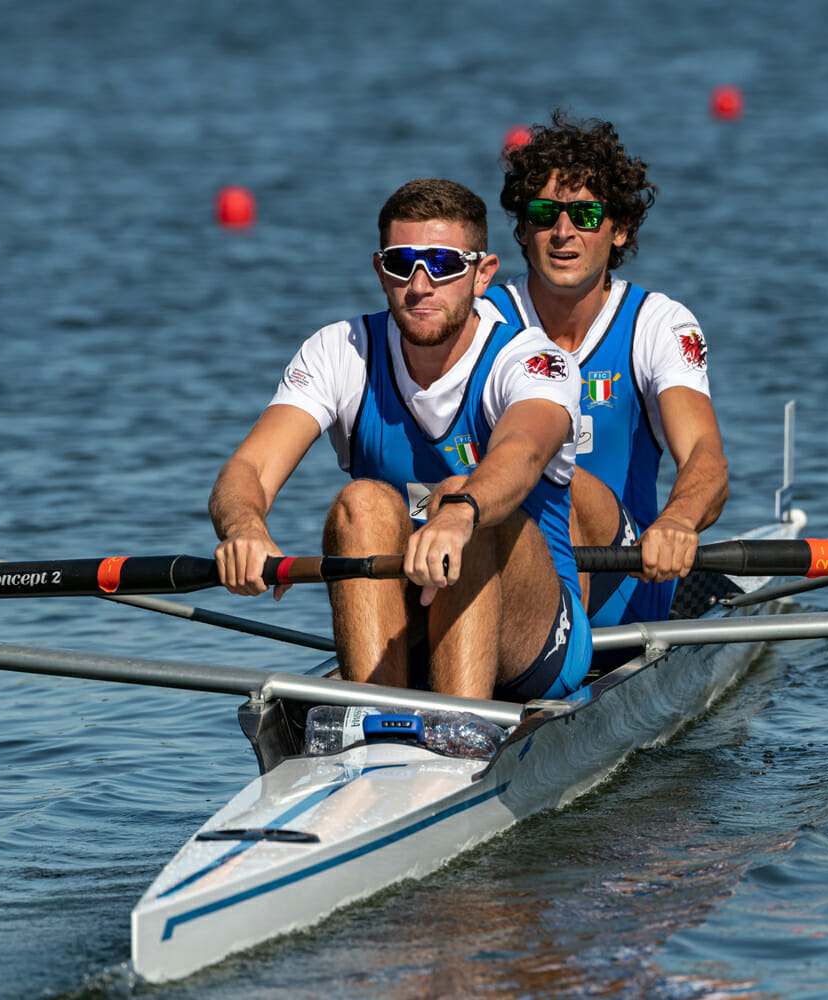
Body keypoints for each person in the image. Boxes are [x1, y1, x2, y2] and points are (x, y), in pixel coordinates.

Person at [209, 178, 591, 702]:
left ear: (482, 275)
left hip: (534, 636)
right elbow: (248, 469)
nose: (419, 284)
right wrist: (244, 526)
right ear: (378, 270)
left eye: (443, 263)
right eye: (401, 263)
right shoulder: (339, 350)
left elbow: (522, 453)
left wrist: (460, 513)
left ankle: (461, 725)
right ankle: (376, 724)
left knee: (461, 493)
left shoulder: (532, 361)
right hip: (407, 618)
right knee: (358, 503)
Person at [491, 112, 728, 630]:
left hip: (624, 586)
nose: (562, 232)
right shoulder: (483, 318)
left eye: (586, 215)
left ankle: (554, 668)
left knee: (561, 478)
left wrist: (678, 521)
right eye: (544, 213)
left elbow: (706, 460)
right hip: (496, 568)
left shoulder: (656, 324)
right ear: (523, 229)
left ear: (619, 230)